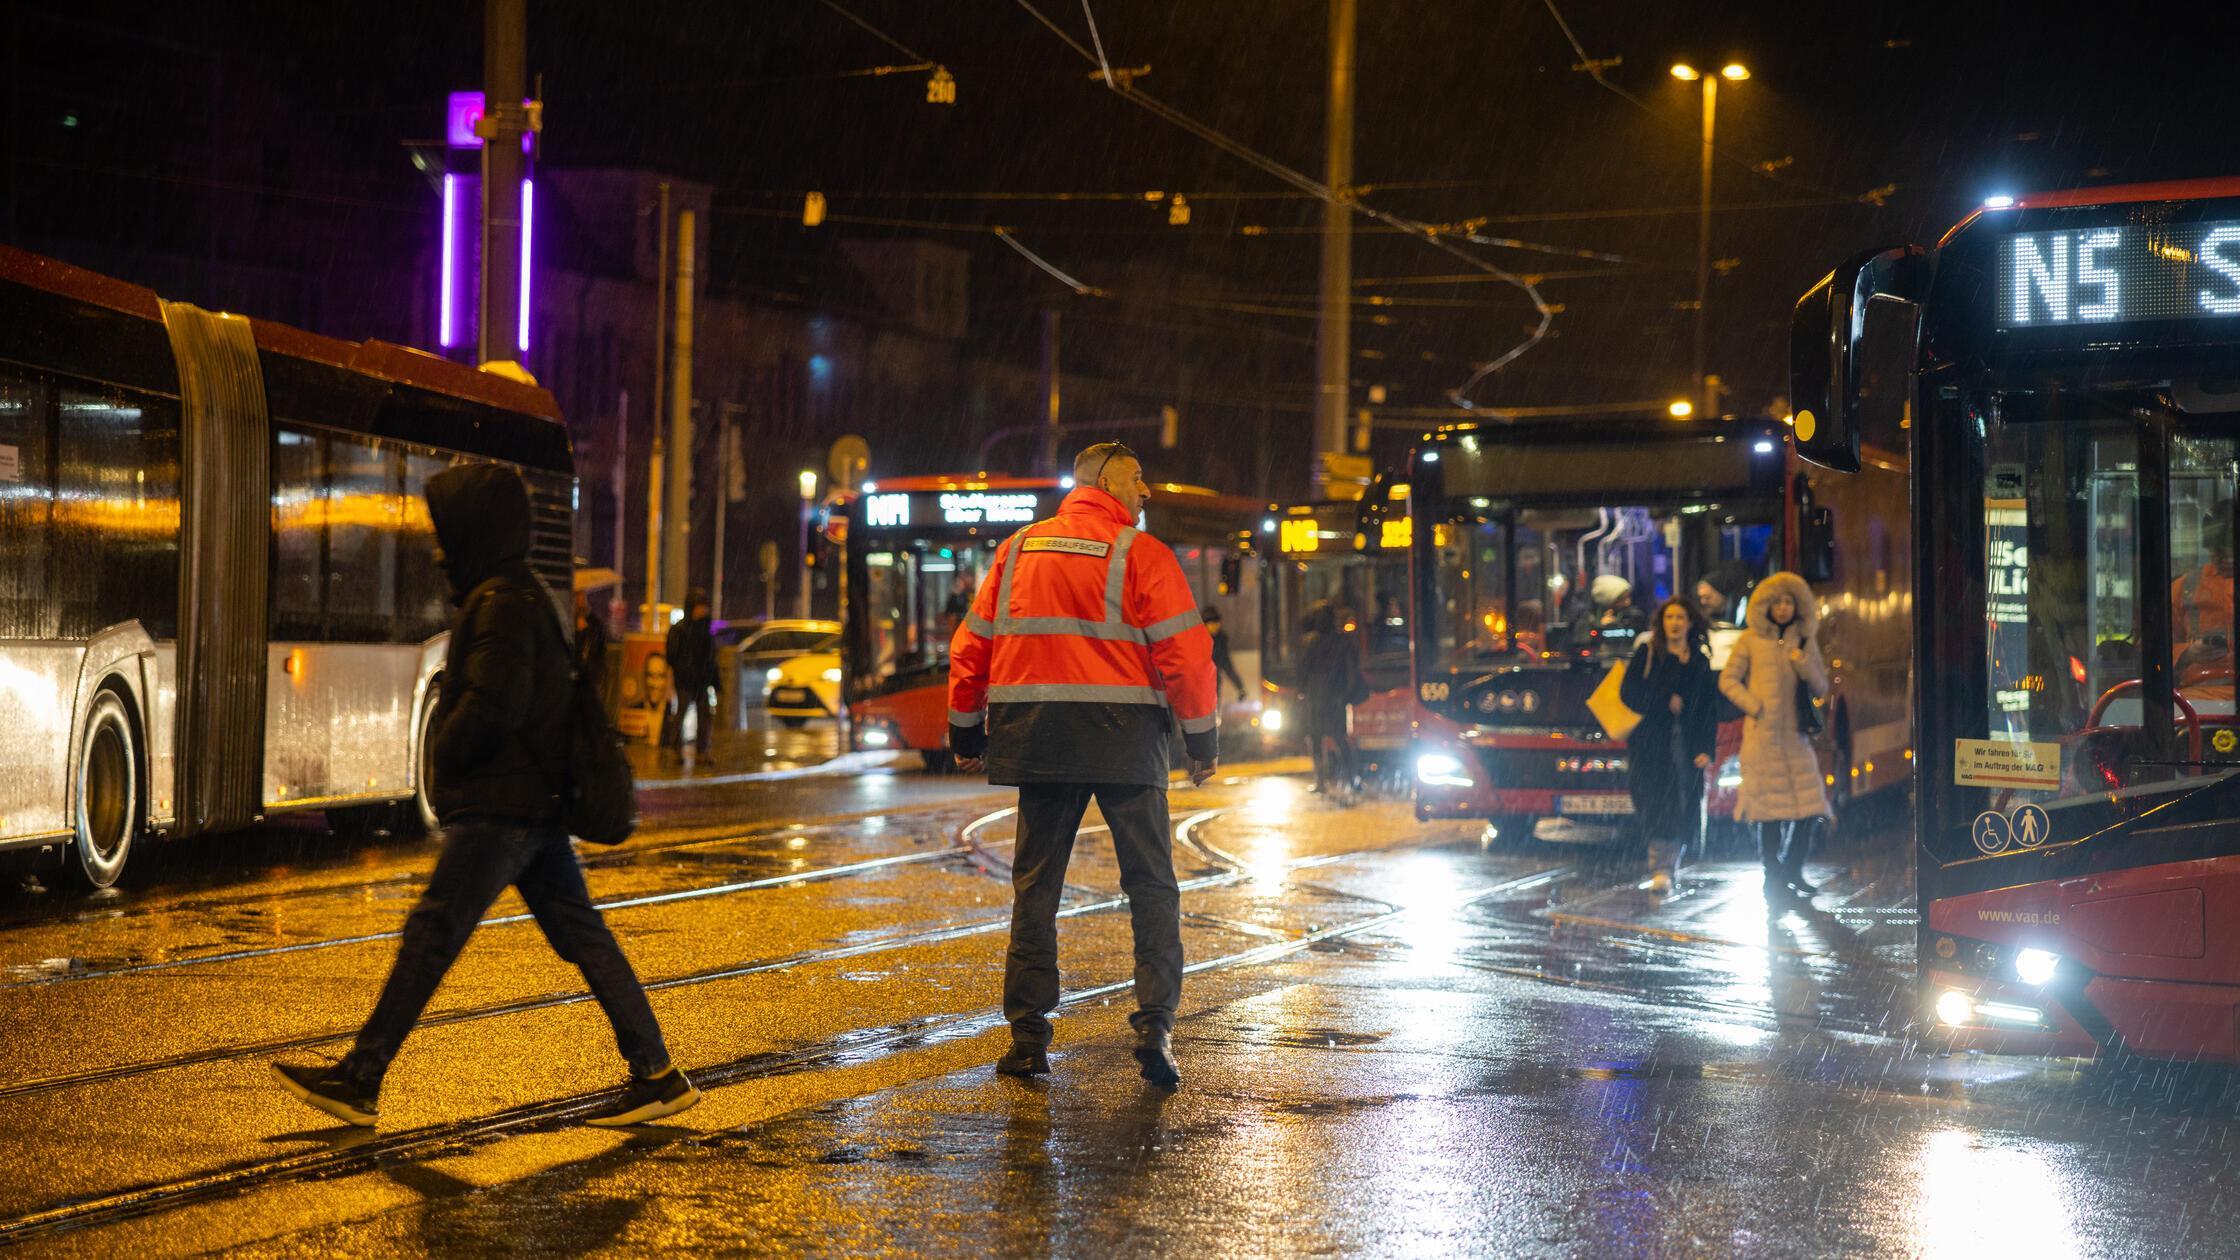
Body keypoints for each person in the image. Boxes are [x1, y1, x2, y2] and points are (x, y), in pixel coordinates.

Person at [272, 463, 696, 1128]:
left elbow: (496, 703)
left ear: (476, 530)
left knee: (432, 934)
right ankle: (657, 1073)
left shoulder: (500, 601)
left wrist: (445, 747)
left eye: (448, 533)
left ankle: (361, 1078)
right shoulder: (522, 595)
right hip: (534, 806)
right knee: (583, 938)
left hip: (505, 808)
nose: (441, 550)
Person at [948, 441, 1218, 1089]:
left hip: (1039, 737)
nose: (1145, 491)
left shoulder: (1016, 552)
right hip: (1125, 739)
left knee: (1035, 892)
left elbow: (972, 646)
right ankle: (1155, 1024)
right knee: (1151, 885)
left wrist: (965, 730)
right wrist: (1201, 741)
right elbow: (1186, 652)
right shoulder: (1141, 555)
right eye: (1137, 479)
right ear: (1104, 481)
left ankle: (1028, 1039)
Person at [1719, 571, 1832, 899]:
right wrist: (1754, 706)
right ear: (1766, 606)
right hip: (1762, 739)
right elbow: (1728, 680)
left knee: (1810, 809)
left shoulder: (1803, 640)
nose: (1783, 608)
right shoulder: (1750, 640)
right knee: (1768, 813)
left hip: (1796, 739)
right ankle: (1774, 874)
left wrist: (1803, 663)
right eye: (1777, 602)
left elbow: (1821, 686)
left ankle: (1793, 870)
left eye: (1789, 602)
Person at [1620, 597, 1719, 884]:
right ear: (1661, 623)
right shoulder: (1648, 652)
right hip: (1651, 744)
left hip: (1686, 745)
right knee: (1654, 801)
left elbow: (1707, 709)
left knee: (1683, 802)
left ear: (1690, 623)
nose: (1674, 623)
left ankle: (1668, 863)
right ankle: (1659, 864)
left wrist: (1705, 747)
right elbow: (1630, 693)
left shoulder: (1699, 660)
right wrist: (1664, 699)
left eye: (1680, 618)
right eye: (1669, 618)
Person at [1299, 601, 1365, 800]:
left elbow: (1303, 670)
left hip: (1315, 696)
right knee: (1340, 738)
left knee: (1316, 738)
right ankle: (1353, 778)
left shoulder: (1311, 642)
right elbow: (1352, 669)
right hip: (1335, 696)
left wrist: (1302, 691)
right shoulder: (1343, 641)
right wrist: (1346, 694)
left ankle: (1320, 780)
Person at [2174, 508, 2235, 689]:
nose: (2227, 560)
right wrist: (2186, 653)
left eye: (2232, 551)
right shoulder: (2185, 586)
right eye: (2218, 552)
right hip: (2198, 697)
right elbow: (2150, 648)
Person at [663, 589, 717, 759]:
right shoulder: (679, 630)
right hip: (686, 679)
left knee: (704, 715)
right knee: (681, 713)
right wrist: (684, 668)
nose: (703, 610)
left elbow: (711, 655)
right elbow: (672, 654)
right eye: (700, 607)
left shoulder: (706, 631)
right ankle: (676, 747)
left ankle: (702, 750)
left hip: (701, 680)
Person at [1204, 605, 1246, 701]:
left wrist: (1240, 688)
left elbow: (1227, 665)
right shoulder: (1198, 640)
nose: (1214, 625)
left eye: (1216, 622)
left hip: (1213, 683)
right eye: (1210, 622)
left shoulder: (1221, 641)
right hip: (1199, 685)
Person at [573, 589, 611, 693]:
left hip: (590, 677)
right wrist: (579, 632)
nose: (579, 599)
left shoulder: (595, 623)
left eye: (581, 595)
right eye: (576, 595)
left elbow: (600, 650)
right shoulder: (569, 621)